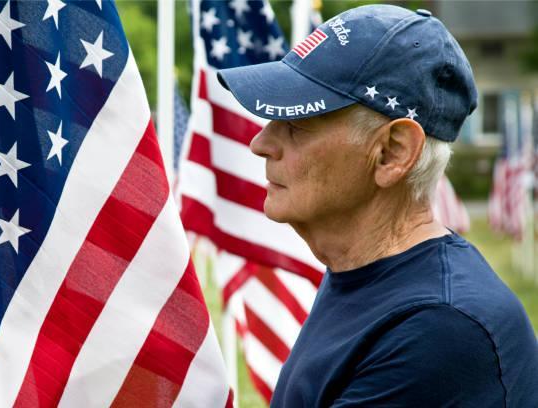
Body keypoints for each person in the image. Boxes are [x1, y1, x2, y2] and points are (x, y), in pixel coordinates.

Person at [216, 4, 538, 407]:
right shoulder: (364, 273)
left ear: (391, 153)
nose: (260, 143)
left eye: (296, 124)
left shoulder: (438, 329)